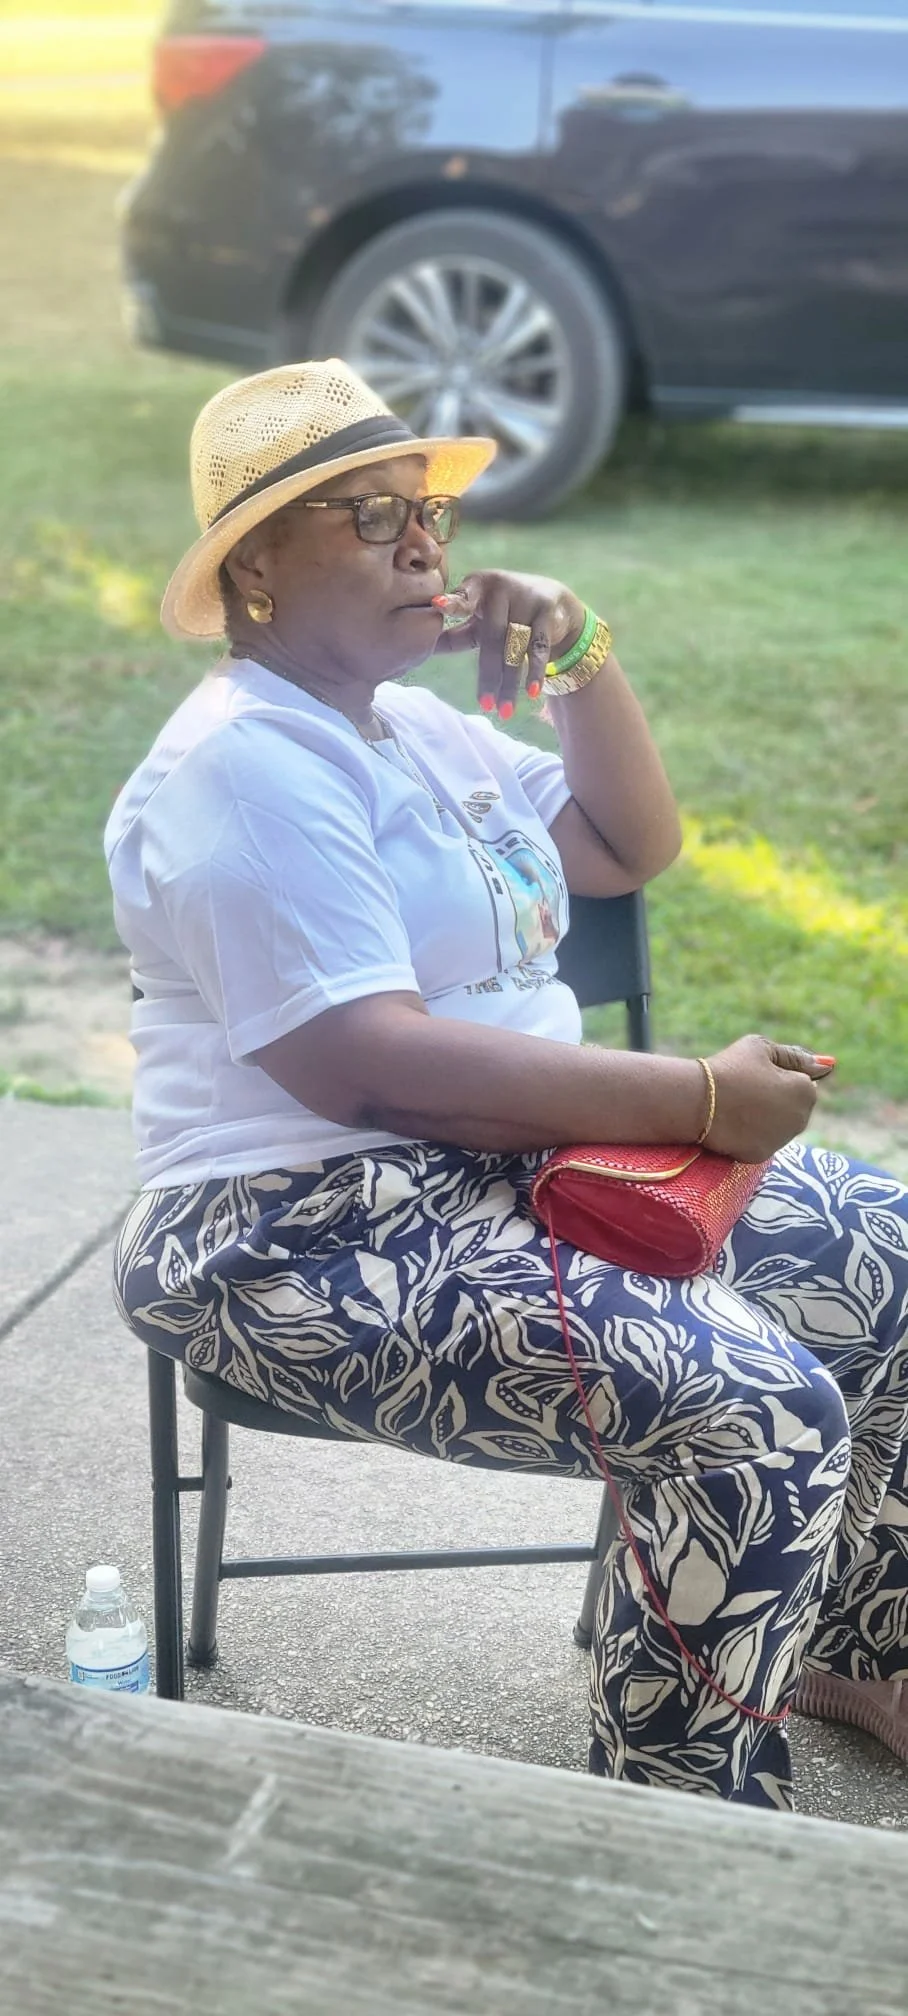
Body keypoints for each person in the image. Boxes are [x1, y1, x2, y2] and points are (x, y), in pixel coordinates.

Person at [107, 359, 908, 1807]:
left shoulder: (411, 727)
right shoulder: (241, 769)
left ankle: (846, 1650)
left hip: (512, 1164)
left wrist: (579, 650)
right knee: (753, 1408)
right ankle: (684, 1805)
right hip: (291, 1228)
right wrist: (699, 1102)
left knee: (895, 1265)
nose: (424, 544)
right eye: (372, 516)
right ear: (256, 569)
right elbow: (368, 1070)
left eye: (431, 514)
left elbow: (622, 845)